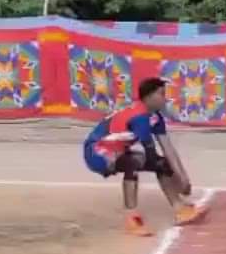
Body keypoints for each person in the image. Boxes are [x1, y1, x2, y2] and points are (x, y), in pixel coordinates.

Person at [83, 77, 206, 236]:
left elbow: (168, 149)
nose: (165, 98)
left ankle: (180, 209)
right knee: (135, 161)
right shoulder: (139, 117)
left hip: (117, 151)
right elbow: (151, 153)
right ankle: (131, 218)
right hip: (96, 151)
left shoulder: (155, 117)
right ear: (148, 97)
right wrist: (178, 182)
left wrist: (184, 178)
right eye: (161, 94)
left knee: (160, 162)